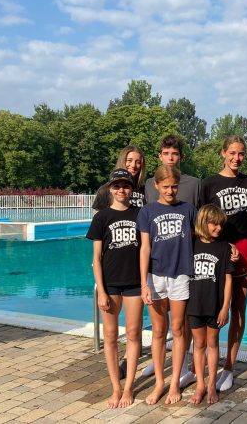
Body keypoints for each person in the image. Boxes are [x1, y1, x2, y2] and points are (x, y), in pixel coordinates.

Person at [142, 135, 201, 387]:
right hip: (157, 270)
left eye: (174, 153)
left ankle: (180, 370)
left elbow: (201, 228)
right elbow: (145, 241)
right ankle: (158, 372)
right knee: (158, 327)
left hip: (182, 268)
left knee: (179, 325)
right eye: (166, 153)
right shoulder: (149, 194)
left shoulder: (191, 194)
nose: (170, 190)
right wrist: (143, 280)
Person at [199, 135, 247, 392]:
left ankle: (229, 367)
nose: (237, 158)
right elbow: (202, 221)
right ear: (223, 153)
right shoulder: (208, 184)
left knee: (238, 310)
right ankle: (200, 364)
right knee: (208, 308)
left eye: (241, 153)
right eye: (232, 153)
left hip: (244, 252)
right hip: (216, 252)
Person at [85, 169, 143, 408]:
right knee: (110, 335)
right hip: (110, 284)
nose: (122, 190)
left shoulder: (140, 214)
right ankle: (115, 387)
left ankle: (128, 386)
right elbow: (96, 257)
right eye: (117, 186)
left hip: (135, 283)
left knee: (133, 333)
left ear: (132, 189)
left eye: (126, 186)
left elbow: (146, 250)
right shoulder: (102, 217)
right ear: (110, 189)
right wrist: (101, 290)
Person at [187, 204, 234, 404]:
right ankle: (200, 384)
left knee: (212, 343)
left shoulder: (224, 248)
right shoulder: (191, 245)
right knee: (198, 344)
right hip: (194, 305)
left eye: (221, 225)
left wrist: (225, 307)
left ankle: (212, 383)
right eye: (214, 224)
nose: (218, 228)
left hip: (215, 305)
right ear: (203, 222)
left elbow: (229, 280)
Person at [145, 135, 200, 207]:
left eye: (175, 154)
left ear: (181, 157)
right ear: (160, 156)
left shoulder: (194, 184)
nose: (170, 158)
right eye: (166, 153)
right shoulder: (149, 184)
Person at [92, 146, 147, 211]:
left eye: (138, 162)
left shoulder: (145, 189)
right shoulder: (105, 189)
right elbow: (99, 216)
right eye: (129, 160)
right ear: (122, 161)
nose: (133, 165)